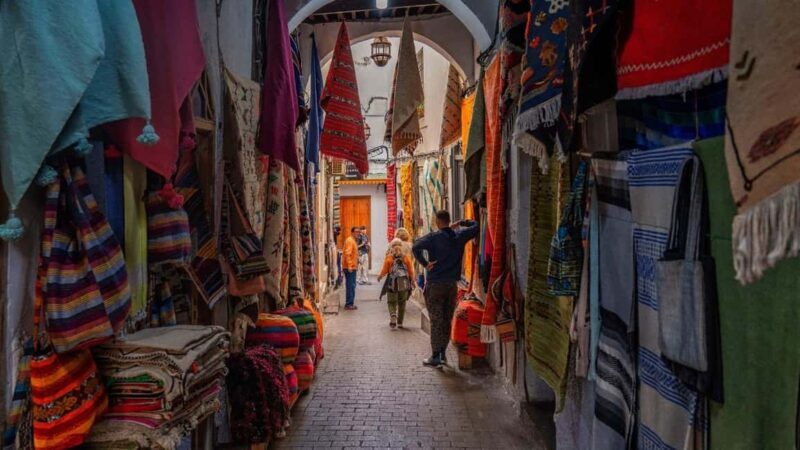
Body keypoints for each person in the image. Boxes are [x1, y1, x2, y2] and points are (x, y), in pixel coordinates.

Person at [412, 210, 478, 368]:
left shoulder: (434, 237)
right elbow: (477, 226)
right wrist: (462, 223)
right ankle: (442, 353)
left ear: (437, 221)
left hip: (435, 284)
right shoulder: (459, 236)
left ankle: (435, 355)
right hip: (451, 285)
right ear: (449, 221)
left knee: (436, 320)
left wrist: (425, 263)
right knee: (447, 319)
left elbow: (416, 247)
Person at [378, 239, 415, 329]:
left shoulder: (389, 258)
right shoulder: (406, 257)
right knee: (402, 303)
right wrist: (413, 281)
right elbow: (411, 271)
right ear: (401, 247)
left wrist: (380, 276)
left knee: (391, 302)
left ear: (392, 247)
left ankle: (393, 315)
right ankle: (400, 323)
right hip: (404, 282)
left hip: (392, 282)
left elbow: (385, 270)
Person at [342, 227, 360, 310]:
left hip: (352, 267)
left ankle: (350, 303)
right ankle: (349, 304)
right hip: (350, 267)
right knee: (351, 285)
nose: (358, 233)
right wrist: (349, 266)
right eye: (356, 232)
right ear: (352, 232)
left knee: (351, 285)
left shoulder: (352, 240)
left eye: (359, 232)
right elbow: (347, 253)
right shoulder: (350, 241)